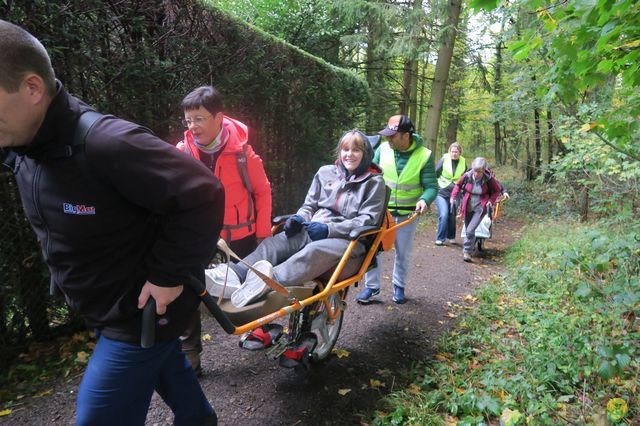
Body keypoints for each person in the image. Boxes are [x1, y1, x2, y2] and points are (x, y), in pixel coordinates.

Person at [0, 20, 223, 425]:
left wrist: (167, 275)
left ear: (32, 89)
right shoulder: (22, 146)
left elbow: (203, 192)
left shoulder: (107, 143)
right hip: (104, 309)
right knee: (175, 379)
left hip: (137, 314)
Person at [206, 130, 386, 307]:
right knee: (276, 243)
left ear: (366, 154)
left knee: (314, 251)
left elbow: (368, 220)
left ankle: (267, 282)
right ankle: (234, 274)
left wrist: (329, 230)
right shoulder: (326, 173)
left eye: (356, 150)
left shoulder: (373, 183)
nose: (349, 155)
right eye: (345, 150)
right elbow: (310, 206)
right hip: (314, 229)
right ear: (339, 151)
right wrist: (299, 218)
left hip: (349, 242)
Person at [176, 86, 272, 373]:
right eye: (188, 120)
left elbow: (262, 192)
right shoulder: (182, 153)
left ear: (218, 117)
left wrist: (264, 233)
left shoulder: (243, 153)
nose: (192, 127)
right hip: (199, 236)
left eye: (199, 119)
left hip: (241, 234)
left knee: (254, 282)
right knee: (186, 287)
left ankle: (257, 329)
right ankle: (189, 352)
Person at [355, 115, 437, 305]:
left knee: (403, 251)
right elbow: (369, 175)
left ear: (406, 135)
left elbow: (431, 186)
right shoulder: (382, 150)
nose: (388, 139)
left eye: (393, 136)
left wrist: (425, 200)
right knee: (373, 249)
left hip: (408, 214)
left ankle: (399, 286)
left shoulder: (424, 155)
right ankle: (372, 287)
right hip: (381, 213)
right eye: (387, 136)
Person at [450, 157, 502, 262]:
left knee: (470, 230)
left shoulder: (489, 179)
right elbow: (458, 186)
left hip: (480, 206)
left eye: (479, 172)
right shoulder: (467, 176)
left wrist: (490, 201)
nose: (476, 174)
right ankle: (471, 247)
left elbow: (497, 191)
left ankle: (467, 252)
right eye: (475, 171)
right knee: (469, 228)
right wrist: (453, 197)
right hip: (468, 204)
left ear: (483, 171)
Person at [434, 142, 467, 246]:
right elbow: (436, 172)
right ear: (449, 151)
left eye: (456, 152)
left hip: (455, 193)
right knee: (444, 214)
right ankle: (440, 238)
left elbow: (465, 177)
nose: (454, 154)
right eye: (452, 151)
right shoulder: (444, 159)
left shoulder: (463, 162)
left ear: (460, 152)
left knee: (452, 214)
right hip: (441, 192)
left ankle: (451, 236)